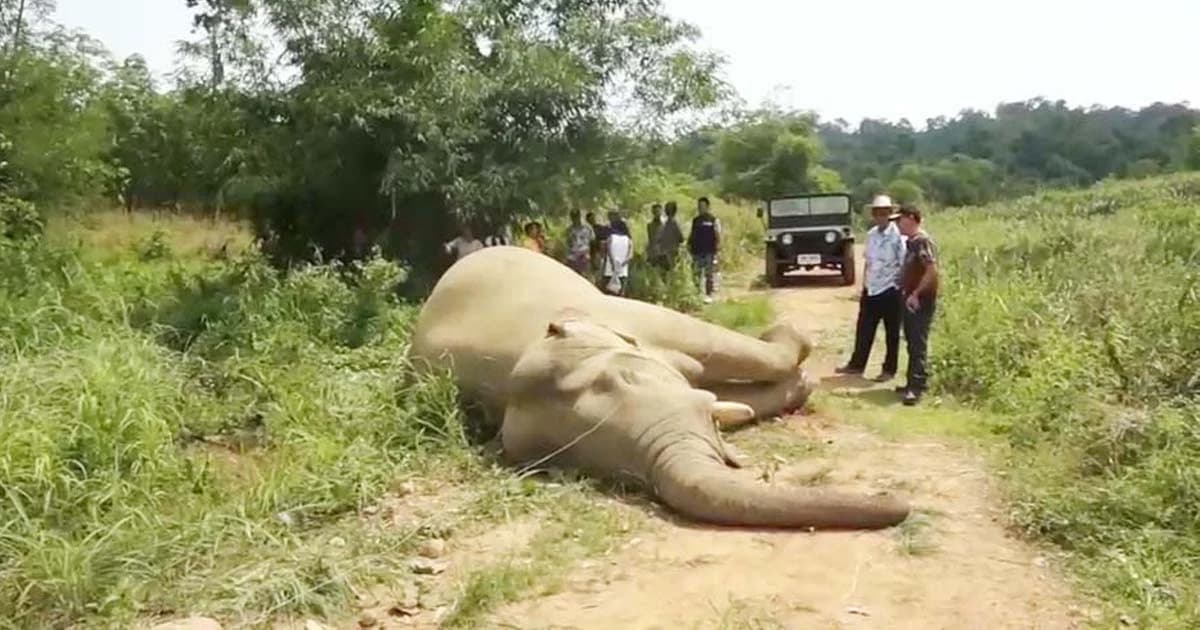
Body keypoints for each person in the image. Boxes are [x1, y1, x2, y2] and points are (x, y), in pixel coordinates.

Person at [836, 194, 907, 382]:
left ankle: (889, 370)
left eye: (884, 212)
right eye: (877, 213)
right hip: (872, 289)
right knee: (864, 329)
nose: (880, 216)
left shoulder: (899, 236)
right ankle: (857, 365)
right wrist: (864, 286)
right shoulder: (871, 235)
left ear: (890, 214)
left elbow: (903, 264)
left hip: (891, 289)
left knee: (891, 334)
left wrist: (899, 287)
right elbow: (868, 261)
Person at [895, 205, 940, 406]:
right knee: (911, 341)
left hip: (920, 300)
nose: (898, 224)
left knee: (917, 342)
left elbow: (932, 271)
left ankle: (917, 387)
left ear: (912, 219)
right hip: (911, 297)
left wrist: (916, 294)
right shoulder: (911, 242)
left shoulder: (922, 240)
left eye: (901, 220)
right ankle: (911, 382)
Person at [687, 196, 721, 303]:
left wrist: (717, 248)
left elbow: (718, 235)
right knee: (696, 274)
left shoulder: (713, 219)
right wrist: (689, 245)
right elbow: (692, 234)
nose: (700, 208)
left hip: (709, 251)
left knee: (708, 274)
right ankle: (696, 294)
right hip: (696, 251)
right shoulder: (695, 220)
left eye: (702, 206)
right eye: (699, 206)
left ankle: (708, 295)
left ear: (707, 207)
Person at [603, 220, 633, 296]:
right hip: (622, 272)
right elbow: (630, 256)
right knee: (621, 295)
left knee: (607, 294)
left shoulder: (611, 238)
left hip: (609, 271)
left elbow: (608, 252)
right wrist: (621, 265)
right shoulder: (629, 240)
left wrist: (613, 264)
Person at [655, 200, 684, 268]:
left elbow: (657, 239)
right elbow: (681, 239)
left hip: (663, 253)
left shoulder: (662, 225)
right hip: (673, 253)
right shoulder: (675, 224)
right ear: (675, 211)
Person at [564, 210, 594, 275]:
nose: (575, 218)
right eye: (573, 216)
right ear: (571, 217)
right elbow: (568, 243)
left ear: (579, 216)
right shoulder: (569, 230)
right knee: (572, 275)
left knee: (585, 276)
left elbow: (592, 240)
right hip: (573, 256)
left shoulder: (588, 228)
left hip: (584, 255)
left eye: (576, 216)